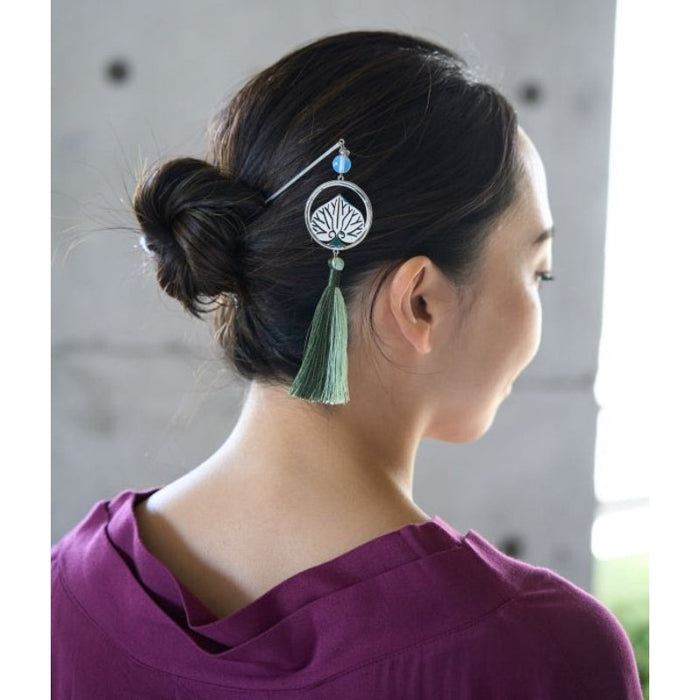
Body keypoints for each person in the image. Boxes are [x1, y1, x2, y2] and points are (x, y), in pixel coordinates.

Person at [51, 29, 643, 698]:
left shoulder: (56, 597)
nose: (540, 307)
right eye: (539, 271)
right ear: (420, 302)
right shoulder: (541, 655)